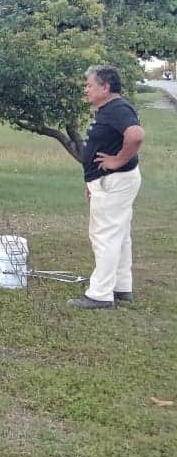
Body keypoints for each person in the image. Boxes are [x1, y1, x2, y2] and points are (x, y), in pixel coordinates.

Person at [68, 65, 145, 310]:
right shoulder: (109, 110)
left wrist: (118, 160)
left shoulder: (118, 108)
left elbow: (136, 135)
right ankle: (121, 286)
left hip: (115, 180)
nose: (86, 89)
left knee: (105, 235)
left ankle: (100, 294)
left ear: (105, 87)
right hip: (110, 182)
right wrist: (91, 181)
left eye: (90, 84)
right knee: (120, 235)